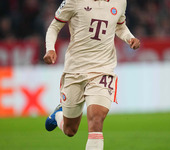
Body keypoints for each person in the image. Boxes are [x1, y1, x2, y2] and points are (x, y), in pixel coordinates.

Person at [43, 0, 140, 150]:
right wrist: (50, 49)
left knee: (96, 120)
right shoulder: (73, 1)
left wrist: (130, 38)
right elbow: (54, 26)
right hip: (75, 70)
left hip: (102, 69)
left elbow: (119, 25)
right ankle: (58, 115)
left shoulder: (120, 2)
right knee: (70, 130)